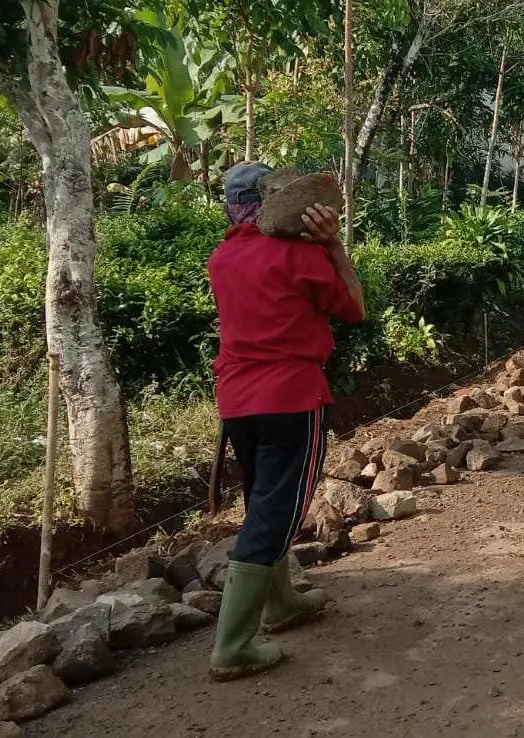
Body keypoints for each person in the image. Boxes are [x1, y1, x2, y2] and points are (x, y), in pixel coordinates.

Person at [206, 163, 366, 680]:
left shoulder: (223, 256)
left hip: (237, 400)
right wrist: (334, 246)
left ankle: (281, 604)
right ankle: (231, 646)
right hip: (291, 396)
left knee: (261, 501)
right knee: (277, 512)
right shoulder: (301, 255)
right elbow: (354, 308)